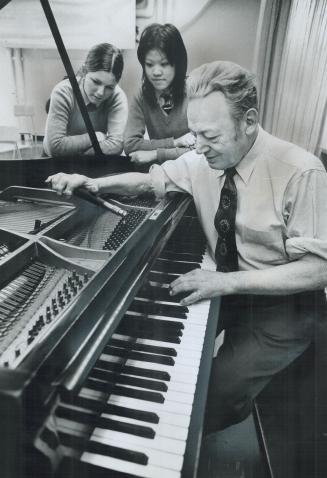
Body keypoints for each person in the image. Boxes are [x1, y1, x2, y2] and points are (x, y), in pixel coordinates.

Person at [46, 60, 327, 434]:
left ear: (249, 120)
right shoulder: (202, 159)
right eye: (194, 134)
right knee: (150, 348)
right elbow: (150, 182)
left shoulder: (302, 171)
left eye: (210, 136)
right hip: (230, 288)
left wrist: (226, 284)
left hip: (285, 307)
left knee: (210, 396)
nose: (199, 147)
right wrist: (95, 183)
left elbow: (318, 269)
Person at [123, 23, 195, 168]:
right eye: (149, 65)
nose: (156, 72)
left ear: (177, 64)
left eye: (164, 64)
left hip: (191, 171)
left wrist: (156, 154)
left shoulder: (194, 90)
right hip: (159, 172)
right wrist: (175, 142)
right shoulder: (142, 94)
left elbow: (200, 149)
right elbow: (130, 145)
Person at [43, 43, 128, 157]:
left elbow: (117, 145)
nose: (100, 93)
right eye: (96, 82)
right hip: (55, 162)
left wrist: (79, 156)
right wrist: (96, 137)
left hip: (89, 162)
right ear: (83, 71)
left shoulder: (117, 96)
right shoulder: (63, 91)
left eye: (109, 87)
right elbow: (54, 147)